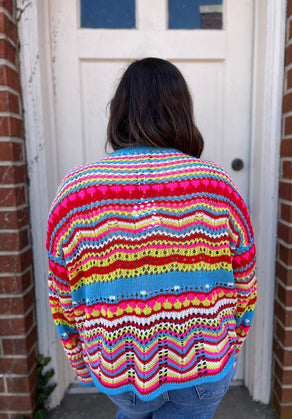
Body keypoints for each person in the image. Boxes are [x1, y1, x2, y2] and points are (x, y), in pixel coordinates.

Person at [47, 57, 257, 419]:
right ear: (182, 112)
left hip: (115, 368)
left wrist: (82, 363)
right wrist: (232, 346)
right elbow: (245, 283)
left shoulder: (76, 192)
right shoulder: (218, 186)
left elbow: (61, 292)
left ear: (119, 113)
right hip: (204, 364)